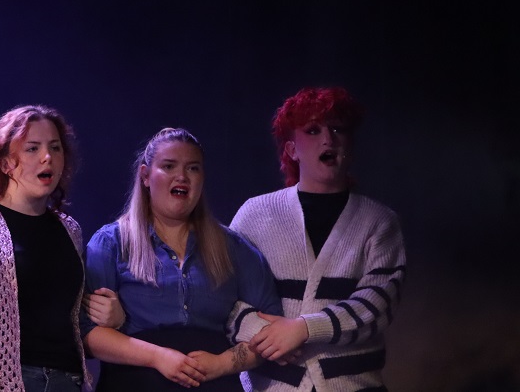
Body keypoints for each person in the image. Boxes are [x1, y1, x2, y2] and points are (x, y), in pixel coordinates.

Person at [228, 87, 406, 391]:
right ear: (292, 150)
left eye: (338, 129)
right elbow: (224, 293)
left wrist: (305, 329)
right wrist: (263, 333)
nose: (328, 139)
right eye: (313, 130)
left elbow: (377, 305)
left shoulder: (378, 221)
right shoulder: (255, 215)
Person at [82, 128, 282, 391]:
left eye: (193, 168)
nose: (182, 176)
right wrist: (158, 357)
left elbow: (274, 333)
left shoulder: (233, 247)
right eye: (168, 166)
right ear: (145, 176)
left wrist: (223, 363)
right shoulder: (111, 243)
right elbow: (86, 335)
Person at [0, 105, 124, 392]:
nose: (47, 157)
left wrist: (114, 316)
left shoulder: (69, 229)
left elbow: (71, 314)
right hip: (10, 382)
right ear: (6, 162)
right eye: (32, 149)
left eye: (55, 148)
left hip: (68, 381)